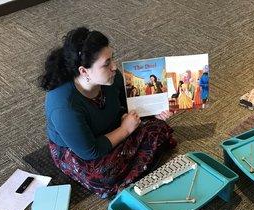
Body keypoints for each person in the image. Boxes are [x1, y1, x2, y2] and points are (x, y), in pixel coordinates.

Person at [39, 27, 176, 198]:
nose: (114, 67)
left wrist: (152, 110)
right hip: (81, 150)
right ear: (83, 71)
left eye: (112, 59)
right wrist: (125, 130)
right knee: (102, 174)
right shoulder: (63, 105)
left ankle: (129, 166)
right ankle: (131, 163)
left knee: (158, 126)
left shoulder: (111, 77)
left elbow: (127, 103)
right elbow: (89, 151)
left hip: (111, 127)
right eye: (107, 64)